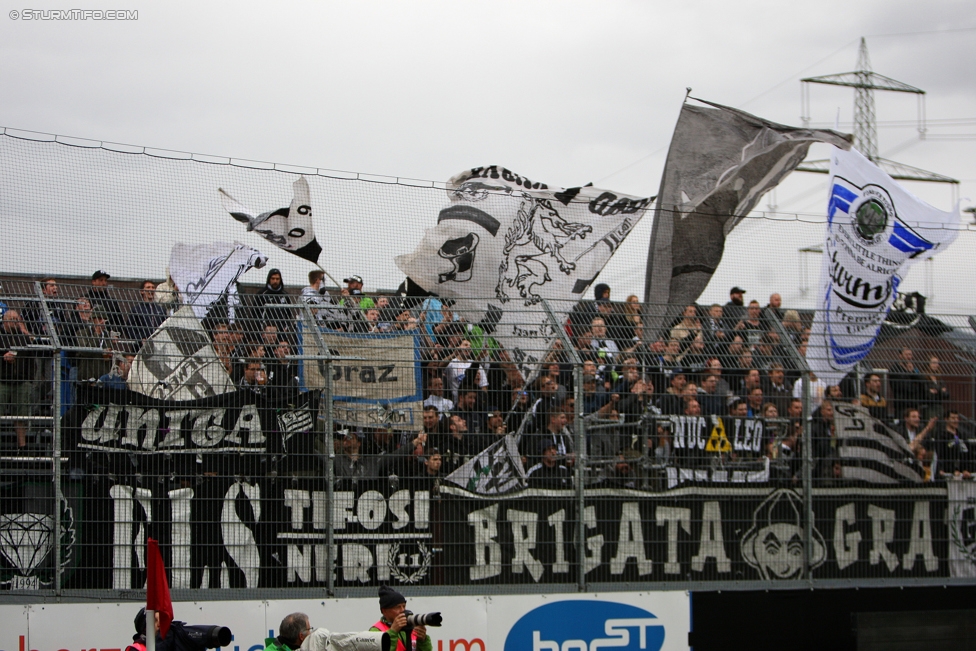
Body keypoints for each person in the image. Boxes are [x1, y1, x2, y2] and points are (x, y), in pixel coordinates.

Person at [1, 310, 36, 450]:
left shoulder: (24, 338)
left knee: (20, 415)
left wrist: (29, 380)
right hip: (2, 380)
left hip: (21, 382)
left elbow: (31, 360)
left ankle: (23, 446)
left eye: (17, 319)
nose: (16, 321)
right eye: (12, 319)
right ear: (5, 321)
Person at [370, 585, 434, 651]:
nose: (402, 610)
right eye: (398, 607)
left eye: (404, 606)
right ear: (384, 611)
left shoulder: (410, 626)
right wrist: (393, 632)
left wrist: (423, 641)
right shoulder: (375, 631)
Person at [128, 280, 167, 346]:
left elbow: (165, 326)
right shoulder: (136, 310)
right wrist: (140, 339)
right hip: (141, 347)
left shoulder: (161, 309)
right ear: (142, 291)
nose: (151, 289)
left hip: (159, 345)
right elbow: (129, 329)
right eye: (148, 287)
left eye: (153, 287)